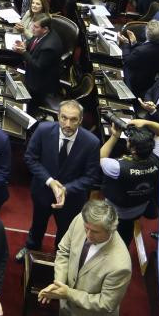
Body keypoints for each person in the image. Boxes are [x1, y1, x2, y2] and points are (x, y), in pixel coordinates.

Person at [37, 199, 131, 316]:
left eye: (94, 231)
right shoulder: (81, 219)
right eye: (86, 228)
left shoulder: (120, 265)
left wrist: (68, 293)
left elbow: (106, 304)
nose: (87, 234)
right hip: (67, 308)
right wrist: (59, 284)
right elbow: (64, 251)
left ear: (110, 229)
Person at [18, 100, 100, 258]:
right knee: (37, 225)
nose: (67, 124)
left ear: (81, 120)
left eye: (73, 119)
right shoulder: (43, 130)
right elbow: (30, 158)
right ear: (58, 116)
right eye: (64, 118)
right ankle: (30, 248)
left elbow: (91, 177)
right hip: (43, 192)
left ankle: (59, 257)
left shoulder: (91, 142)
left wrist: (65, 189)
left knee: (65, 231)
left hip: (71, 199)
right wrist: (50, 181)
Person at [99, 118, 159, 247]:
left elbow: (101, 157)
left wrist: (114, 136)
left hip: (115, 211)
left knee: (106, 233)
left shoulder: (117, 168)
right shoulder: (158, 157)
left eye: (128, 140)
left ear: (133, 150)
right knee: (125, 236)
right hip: (139, 208)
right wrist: (146, 122)